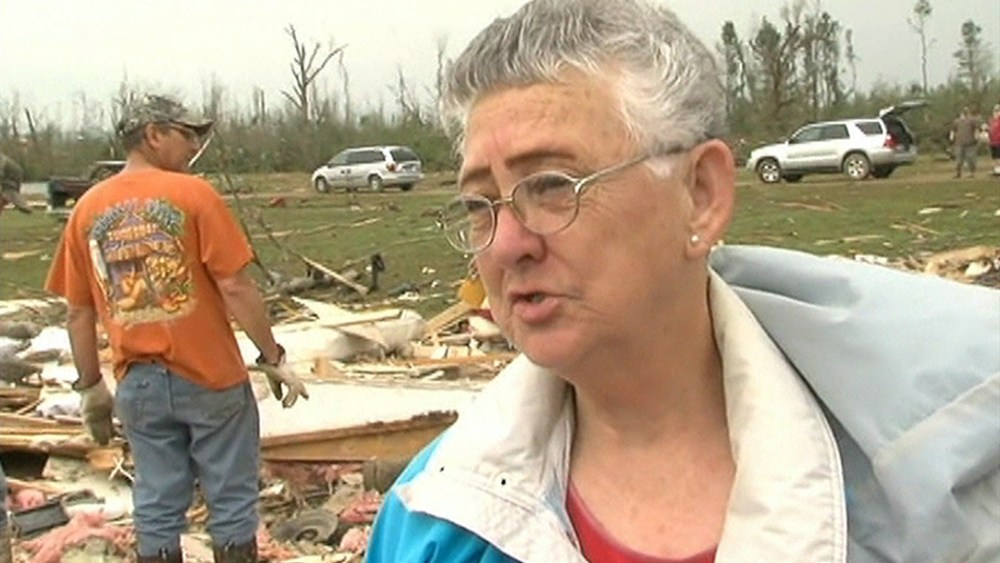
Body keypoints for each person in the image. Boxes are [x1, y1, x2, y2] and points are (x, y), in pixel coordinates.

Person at [366, 1, 1000, 562]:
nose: (506, 245)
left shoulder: (935, 499)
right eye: (479, 205)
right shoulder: (435, 517)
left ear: (700, 195)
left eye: (553, 185)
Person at [44, 94, 309, 563]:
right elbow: (235, 285)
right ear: (153, 135)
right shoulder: (194, 195)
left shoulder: (87, 210)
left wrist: (92, 388)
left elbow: (78, 313)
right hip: (211, 377)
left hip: (139, 385)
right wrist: (273, 357)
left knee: (156, 503)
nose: (193, 146)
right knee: (231, 499)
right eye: (186, 135)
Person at [950, 106, 982, 178]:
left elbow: (976, 129)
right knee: (959, 159)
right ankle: (958, 173)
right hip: (959, 143)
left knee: (970, 158)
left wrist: (977, 137)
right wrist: (952, 138)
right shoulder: (957, 121)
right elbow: (953, 130)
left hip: (970, 143)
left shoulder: (972, 120)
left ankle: (971, 173)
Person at [989, 103, 1000, 176]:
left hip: (999, 141)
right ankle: (996, 170)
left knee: (999, 156)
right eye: (995, 111)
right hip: (993, 141)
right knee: (995, 156)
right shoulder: (992, 120)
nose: (996, 113)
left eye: (997, 111)